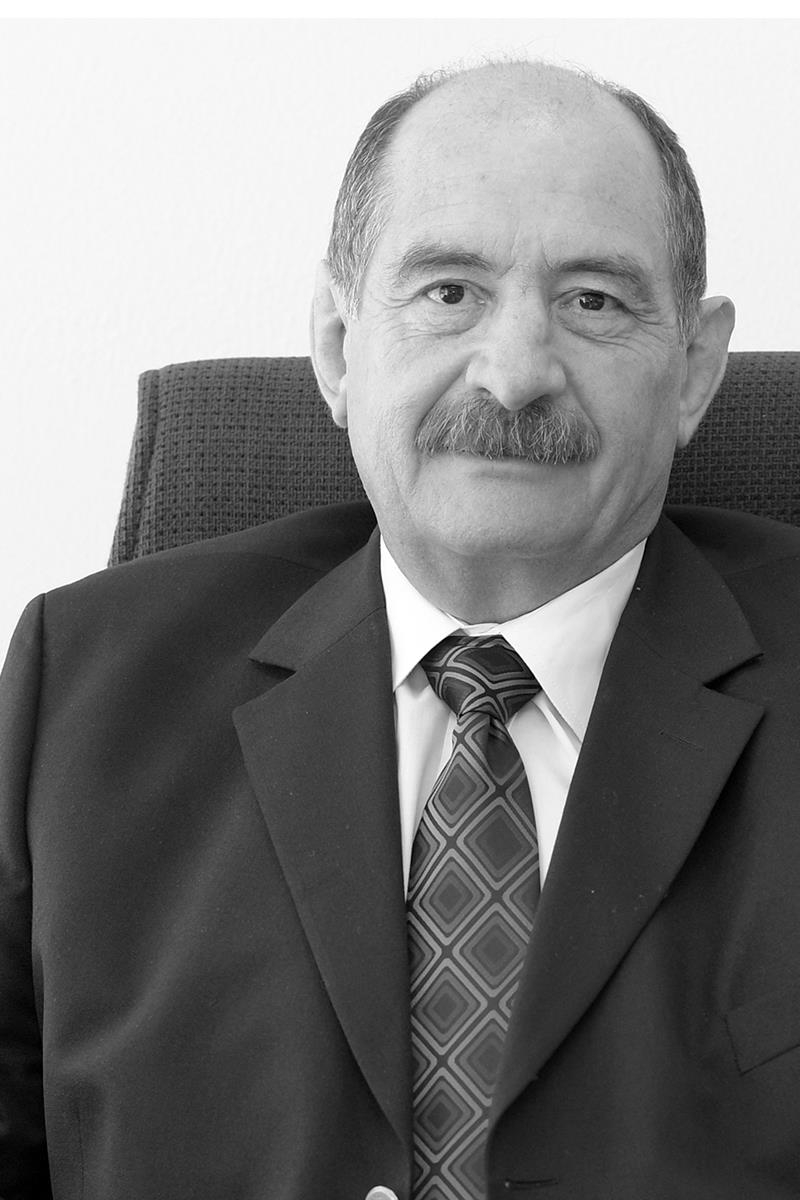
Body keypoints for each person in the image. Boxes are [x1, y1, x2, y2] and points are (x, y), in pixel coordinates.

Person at [2, 58, 800, 1200]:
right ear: (337, 344)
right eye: (448, 291)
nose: (515, 374)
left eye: (592, 301)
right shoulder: (79, 693)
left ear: (694, 371)